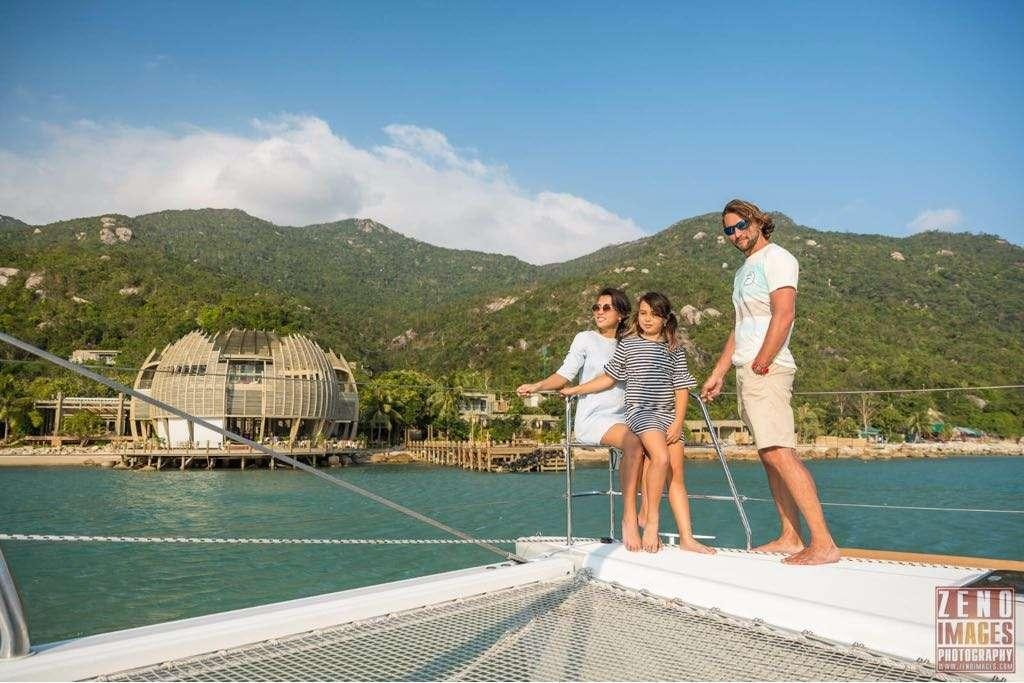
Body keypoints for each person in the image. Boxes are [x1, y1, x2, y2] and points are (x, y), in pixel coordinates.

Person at [700, 198, 840, 565]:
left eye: (741, 225)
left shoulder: (778, 258)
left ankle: (823, 542)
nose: (736, 234)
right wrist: (718, 372)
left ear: (758, 221)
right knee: (769, 455)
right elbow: (740, 327)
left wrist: (763, 360)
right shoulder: (742, 271)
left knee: (780, 451)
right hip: (747, 369)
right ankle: (791, 536)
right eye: (729, 230)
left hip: (767, 368)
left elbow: (785, 313)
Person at [562, 292, 713, 555]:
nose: (647, 319)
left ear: (665, 319)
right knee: (661, 458)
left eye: (654, 314)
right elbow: (608, 378)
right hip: (641, 413)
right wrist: (574, 390)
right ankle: (651, 522)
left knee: (676, 478)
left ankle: (687, 538)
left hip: (668, 415)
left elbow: (681, 386)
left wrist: (678, 422)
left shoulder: (673, 347)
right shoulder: (629, 344)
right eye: (643, 313)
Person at [516, 287, 647, 551]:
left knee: (656, 444)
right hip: (594, 418)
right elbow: (564, 375)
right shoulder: (585, 339)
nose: (599, 312)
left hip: (626, 416)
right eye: (596, 307)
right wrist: (539, 385)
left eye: (606, 307)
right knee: (634, 442)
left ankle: (649, 515)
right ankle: (630, 518)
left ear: (621, 313)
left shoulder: (631, 342)